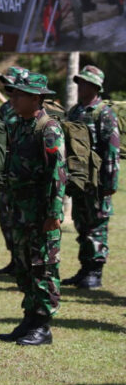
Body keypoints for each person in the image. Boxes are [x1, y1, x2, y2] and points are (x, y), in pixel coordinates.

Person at [0, 71, 66, 346]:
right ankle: (29, 318)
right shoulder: (18, 125)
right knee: (25, 265)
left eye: (19, 94)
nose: (12, 98)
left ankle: (42, 325)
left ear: (36, 98)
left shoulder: (48, 128)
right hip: (20, 209)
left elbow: (57, 174)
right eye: (12, 93)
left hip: (41, 212)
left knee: (43, 266)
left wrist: (54, 213)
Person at [63, 65, 120, 289]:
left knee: (96, 224)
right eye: (79, 82)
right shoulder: (76, 111)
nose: (81, 86)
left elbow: (111, 149)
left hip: (98, 181)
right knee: (82, 223)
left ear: (96, 87)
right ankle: (85, 268)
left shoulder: (104, 113)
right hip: (80, 179)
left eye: (86, 83)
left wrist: (110, 182)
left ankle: (95, 271)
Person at [0, 66, 28, 275]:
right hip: (5, 173)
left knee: (22, 218)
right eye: (6, 84)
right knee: (6, 217)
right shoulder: (5, 108)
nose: (7, 87)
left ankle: (25, 261)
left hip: (23, 172)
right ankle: (14, 258)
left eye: (11, 83)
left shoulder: (33, 109)